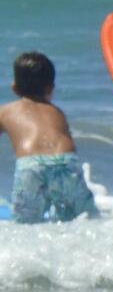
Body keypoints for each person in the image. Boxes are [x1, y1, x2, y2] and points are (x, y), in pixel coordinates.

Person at [1, 52, 99, 224]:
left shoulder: (6, 111)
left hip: (31, 166)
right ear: (50, 88)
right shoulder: (57, 112)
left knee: (25, 225)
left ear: (14, 88)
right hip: (66, 162)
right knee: (84, 219)